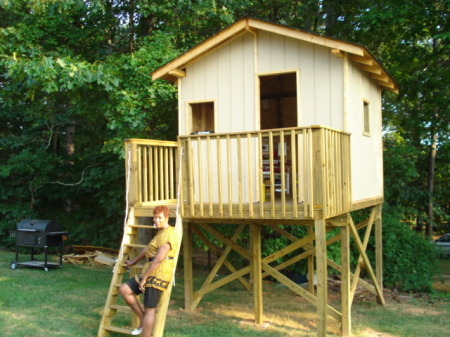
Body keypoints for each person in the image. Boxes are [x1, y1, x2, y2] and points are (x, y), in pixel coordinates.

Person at [119, 205, 178, 336]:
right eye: (155, 217)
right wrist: (134, 262)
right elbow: (147, 249)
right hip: (149, 270)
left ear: (167, 218)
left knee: (150, 309)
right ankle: (142, 318)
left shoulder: (169, 234)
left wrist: (144, 278)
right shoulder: (160, 233)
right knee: (125, 289)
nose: (156, 220)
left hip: (159, 274)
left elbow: (159, 259)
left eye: (160, 217)